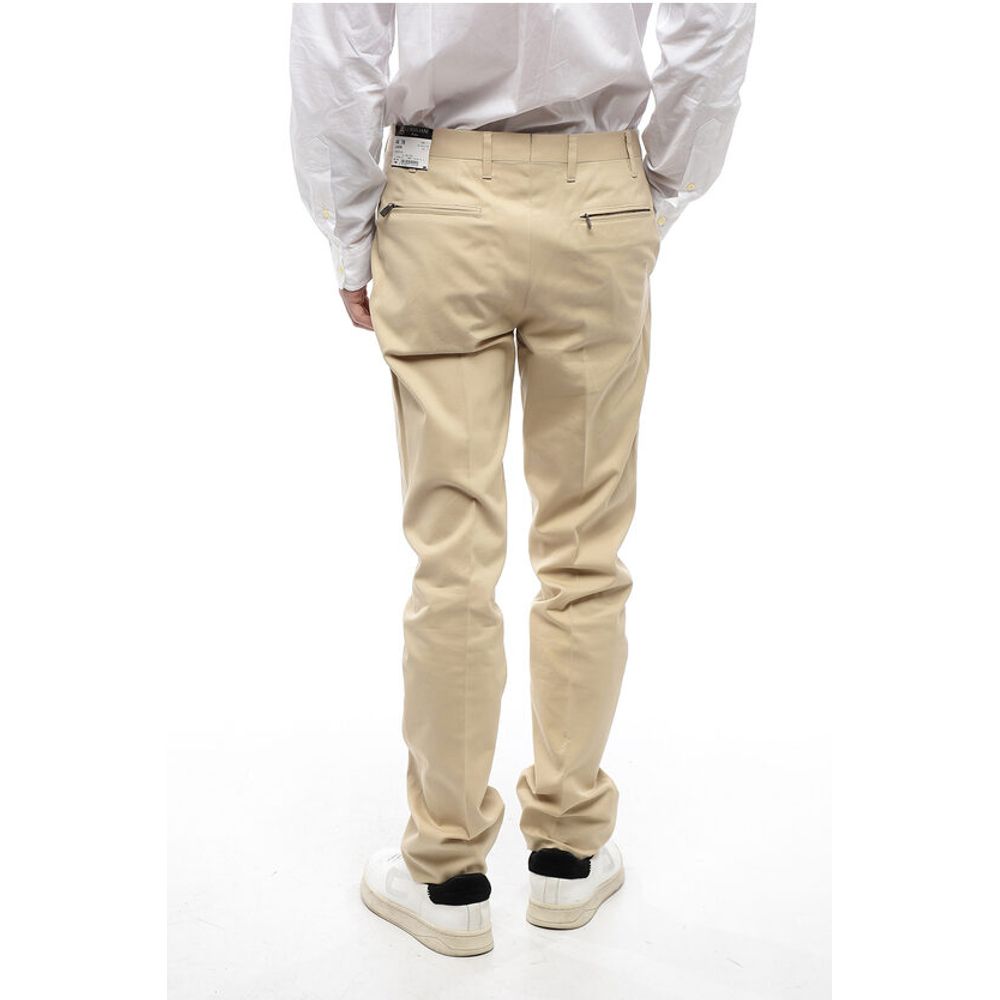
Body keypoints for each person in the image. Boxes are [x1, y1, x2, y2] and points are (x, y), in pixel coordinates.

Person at [289, 2, 755, 957]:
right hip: (598, 193)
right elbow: (713, 18)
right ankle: (568, 857)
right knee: (585, 546)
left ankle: (446, 873)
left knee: (452, 556)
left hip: (438, 196)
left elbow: (337, 44)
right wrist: (660, 183)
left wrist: (347, 230)